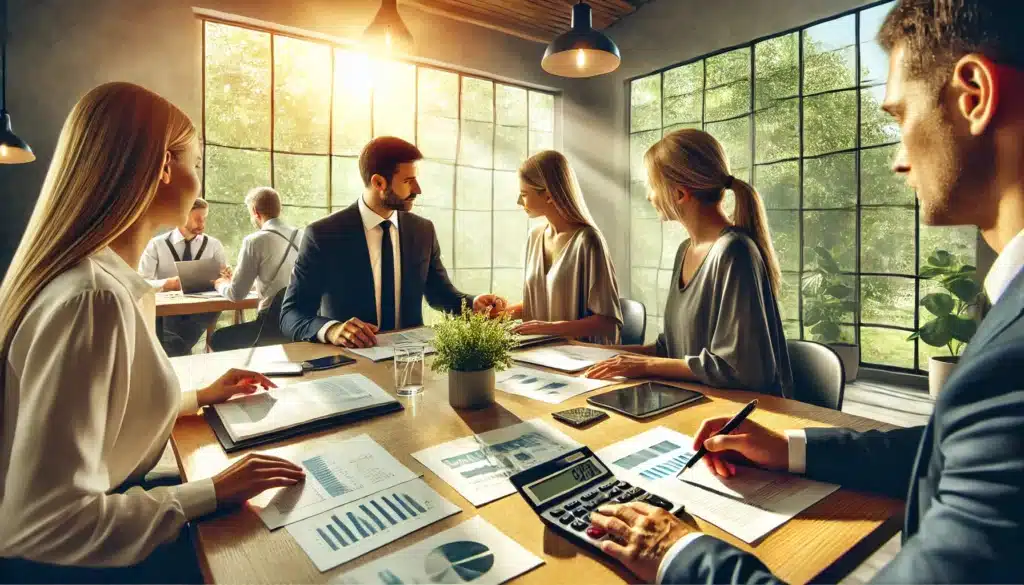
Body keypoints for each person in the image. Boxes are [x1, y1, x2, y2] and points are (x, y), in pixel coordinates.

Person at [589, 1, 1024, 583]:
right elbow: (950, 444)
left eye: (897, 117)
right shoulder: (1009, 323)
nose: (897, 160)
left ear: (973, 95)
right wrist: (791, 448)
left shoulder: (1011, 360)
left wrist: (678, 553)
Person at [0, 82, 304, 583]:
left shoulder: (100, 280)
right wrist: (214, 491)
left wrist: (195, 396)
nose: (197, 176)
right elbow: (43, 526)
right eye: (195, 160)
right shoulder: (91, 299)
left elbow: (96, 413)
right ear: (164, 166)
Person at [584, 129, 793, 397]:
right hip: (691, 402)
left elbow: (741, 369)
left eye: (652, 185)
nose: (649, 196)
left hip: (740, 416)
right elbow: (671, 350)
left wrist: (647, 365)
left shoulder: (734, 252)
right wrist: (594, 354)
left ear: (680, 194)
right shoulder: (685, 250)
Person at [279, 136, 506, 348]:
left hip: (414, 358)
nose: (417, 190)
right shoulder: (323, 234)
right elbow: (291, 314)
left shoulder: (423, 230)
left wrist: (473, 302)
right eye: (408, 181)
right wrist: (332, 330)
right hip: (352, 363)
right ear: (378, 182)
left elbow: (440, 294)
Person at [504, 151, 622, 344]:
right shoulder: (534, 237)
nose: (519, 202)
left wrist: (552, 330)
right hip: (540, 353)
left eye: (524, 194)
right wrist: (503, 313)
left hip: (580, 359)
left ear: (549, 195)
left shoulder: (588, 241)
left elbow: (608, 322)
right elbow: (543, 303)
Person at [209, 187, 299, 351]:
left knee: (218, 338)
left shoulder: (254, 241)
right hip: (299, 324)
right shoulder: (303, 234)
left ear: (255, 212)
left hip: (271, 326)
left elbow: (236, 295)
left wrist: (220, 284)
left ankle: (244, 375)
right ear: (279, 209)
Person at [138, 197, 228, 356]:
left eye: (204, 218)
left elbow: (223, 278)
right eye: (197, 219)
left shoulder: (214, 245)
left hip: (202, 308)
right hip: (169, 310)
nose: (202, 224)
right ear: (181, 216)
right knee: (169, 326)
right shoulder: (156, 244)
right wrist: (168, 284)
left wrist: (227, 276)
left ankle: (173, 348)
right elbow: (141, 283)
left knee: (171, 339)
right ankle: (176, 349)